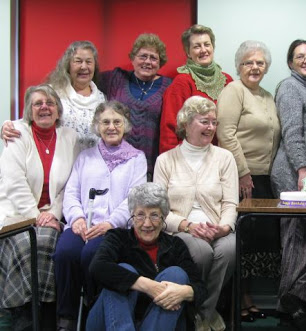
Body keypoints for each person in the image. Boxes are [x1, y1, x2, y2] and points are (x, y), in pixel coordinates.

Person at [54, 101, 147, 330]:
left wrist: (109, 223)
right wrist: (76, 219)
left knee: (92, 253)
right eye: (105, 122)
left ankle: (94, 308)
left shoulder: (137, 158)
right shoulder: (85, 157)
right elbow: (71, 192)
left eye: (117, 122)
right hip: (81, 225)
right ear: (97, 126)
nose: (111, 127)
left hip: (114, 229)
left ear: (125, 125)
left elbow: (134, 199)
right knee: (65, 253)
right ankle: (66, 315)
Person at [154, 96, 238, 331]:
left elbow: (231, 203)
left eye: (214, 122)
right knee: (201, 252)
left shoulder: (225, 158)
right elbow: (159, 210)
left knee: (229, 249)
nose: (211, 127)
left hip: (217, 228)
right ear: (187, 124)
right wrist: (187, 226)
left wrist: (224, 227)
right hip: (181, 229)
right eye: (204, 122)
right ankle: (198, 311)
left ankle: (203, 313)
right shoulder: (165, 161)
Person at [0, 85, 79, 329]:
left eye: (50, 103)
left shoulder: (70, 137)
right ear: (29, 110)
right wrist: (35, 216)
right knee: (26, 243)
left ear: (58, 110)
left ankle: (44, 315)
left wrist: (52, 214)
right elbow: (13, 182)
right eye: (37, 103)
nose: (44, 107)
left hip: (52, 213)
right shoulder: (16, 133)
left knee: (48, 241)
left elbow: (70, 183)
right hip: (15, 211)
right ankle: (23, 314)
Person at [216, 40, 280, 322]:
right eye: (248, 62)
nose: (254, 67)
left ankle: (249, 296)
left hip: (264, 178)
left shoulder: (267, 95)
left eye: (259, 63)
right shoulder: (234, 90)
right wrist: (243, 172)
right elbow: (226, 133)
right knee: (241, 239)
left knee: (258, 242)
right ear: (239, 66)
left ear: (266, 67)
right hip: (241, 177)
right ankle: (237, 300)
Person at [86, 183, 206, 331]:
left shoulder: (175, 245)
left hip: (157, 323)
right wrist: (148, 286)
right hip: (109, 320)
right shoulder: (117, 238)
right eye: (141, 215)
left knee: (176, 274)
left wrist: (185, 292)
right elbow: (97, 267)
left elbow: (200, 288)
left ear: (164, 217)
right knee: (123, 269)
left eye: (154, 215)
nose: (147, 223)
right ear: (132, 216)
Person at [270, 39, 306, 330]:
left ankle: (293, 305)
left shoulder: (304, 88)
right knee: (296, 240)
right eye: (300, 56)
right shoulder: (290, 87)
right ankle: (290, 308)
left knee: (304, 240)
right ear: (290, 63)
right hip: (293, 173)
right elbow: (292, 131)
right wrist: (303, 169)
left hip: (304, 173)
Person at [3, 41, 106, 150]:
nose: (84, 66)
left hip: (90, 164)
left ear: (95, 66)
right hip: (58, 161)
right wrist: (8, 127)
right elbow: (29, 120)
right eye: (78, 61)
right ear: (68, 65)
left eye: (89, 62)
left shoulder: (101, 99)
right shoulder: (52, 92)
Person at [99, 33, 173, 181]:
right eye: (142, 56)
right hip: (113, 165)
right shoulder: (116, 78)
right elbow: (84, 78)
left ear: (160, 63)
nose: (148, 62)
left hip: (151, 167)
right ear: (132, 58)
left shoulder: (169, 87)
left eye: (153, 58)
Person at [159, 24, 233, 153]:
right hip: (191, 158)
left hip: (223, 158)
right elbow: (169, 128)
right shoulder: (182, 82)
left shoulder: (228, 81)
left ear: (213, 47)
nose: (203, 50)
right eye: (197, 46)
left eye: (207, 44)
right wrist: (172, 162)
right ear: (188, 52)